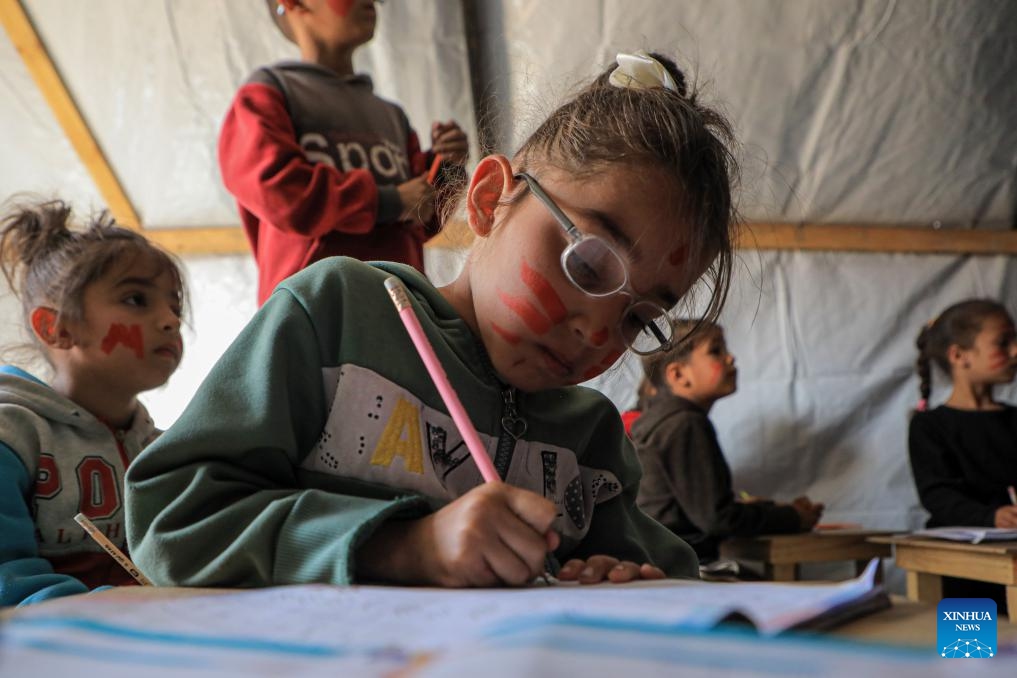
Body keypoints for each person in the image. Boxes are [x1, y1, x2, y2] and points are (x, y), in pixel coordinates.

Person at [126, 50, 737, 588]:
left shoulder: (590, 441)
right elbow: (171, 521)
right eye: (590, 262)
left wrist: (624, 577)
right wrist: (400, 548)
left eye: (641, 317)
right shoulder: (337, 316)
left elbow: (669, 576)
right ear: (491, 198)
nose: (598, 332)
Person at [220, 0, 470, 305]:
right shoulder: (266, 94)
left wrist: (445, 169)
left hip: (398, 314)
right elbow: (278, 190)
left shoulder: (390, 115)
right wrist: (387, 201)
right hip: (312, 317)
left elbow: (417, 221)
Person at [0, 200, 185, 607]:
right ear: (58, 328)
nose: (171, 320)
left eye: (174, 305)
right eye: (137, 299)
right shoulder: (11, 436)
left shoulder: (164, 450)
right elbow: (7, 582)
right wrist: (122, 608)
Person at [632, 320, 824, 563]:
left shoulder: (660, 421)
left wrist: (765, 510)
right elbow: (717, 519)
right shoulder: (685, 424)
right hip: (683, 568)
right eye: (716, 351)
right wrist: (793, 517)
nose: (731, 358)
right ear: (678, 375)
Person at [909, 299, 1017, 529]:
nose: (1015, 350)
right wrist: (990, 517)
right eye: (1003, 343)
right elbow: (938, 495)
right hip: (961, 549)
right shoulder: (930, 426)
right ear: (958, 356)